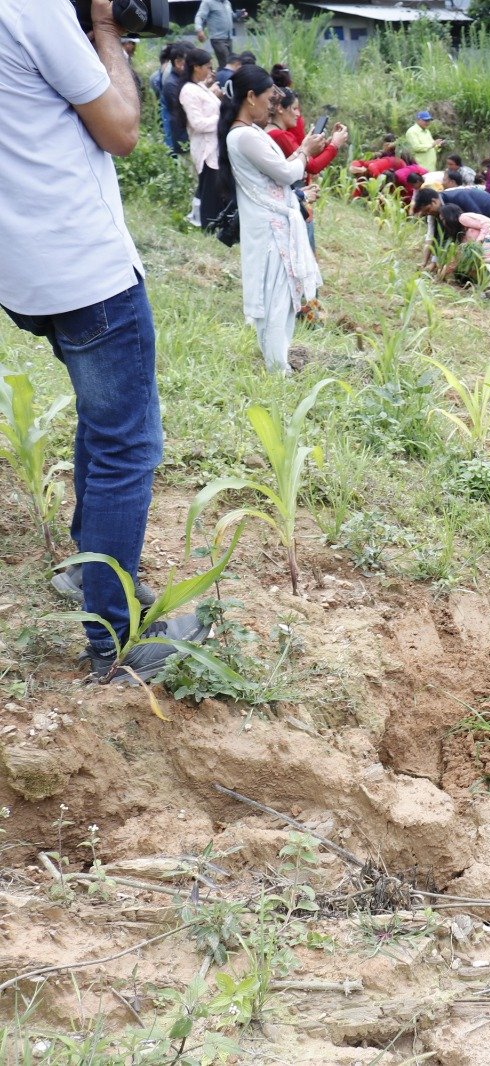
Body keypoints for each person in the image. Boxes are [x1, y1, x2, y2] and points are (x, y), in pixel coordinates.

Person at [0, 0, 210, 677]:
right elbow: (120, 128)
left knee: (104, 419)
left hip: (25, 268)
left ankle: (85, 573)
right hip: (83, 267)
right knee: (128, 443)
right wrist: (109, 35)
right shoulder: (30, 8)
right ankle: (114, 643)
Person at [221, 64, 328, 375]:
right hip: (270, 229)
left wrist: (303, 155)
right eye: (269, 98)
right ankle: (277, 368)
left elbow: (280, 171)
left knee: (283, 296)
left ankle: (279, 363)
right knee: (276, 300)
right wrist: (306, 152)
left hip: (275, 224)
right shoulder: (243, 136)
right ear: (250, 96)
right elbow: (285, 172)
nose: (272, 105)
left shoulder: (250, 133)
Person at [267, 88, 346, 251]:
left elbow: (307, 159)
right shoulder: (279, 135)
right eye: (295, 109)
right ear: (280, 108)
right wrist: (335, 146)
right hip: (294, 195)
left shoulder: (275, 133)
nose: (298, 114)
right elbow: (312, 166)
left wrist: (329, 143)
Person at [177, 48, 223, 227]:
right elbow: (197, 123)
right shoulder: (188, 91)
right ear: (196, 67)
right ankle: (208, 225)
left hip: (214, 146)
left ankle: (208, 222)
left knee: (210, 188)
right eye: (207, 67)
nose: (210, 71)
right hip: (205, 148)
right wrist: (222, 119)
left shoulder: (200, 87)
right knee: (209, 190)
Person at [160, 45, 190, 157]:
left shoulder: (180, 80)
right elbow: (182, 109)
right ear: (178, 63)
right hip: (181, 138)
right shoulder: (171, 84)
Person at [193, 0, 234, 64]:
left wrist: (239, 15)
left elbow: (232, 16)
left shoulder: (227, 2)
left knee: (230, 63)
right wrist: (199, 30)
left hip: (229, 38)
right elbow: (199, 17)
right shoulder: (208, 2)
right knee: (226, 62)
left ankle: (220, 73)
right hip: (218, 39)